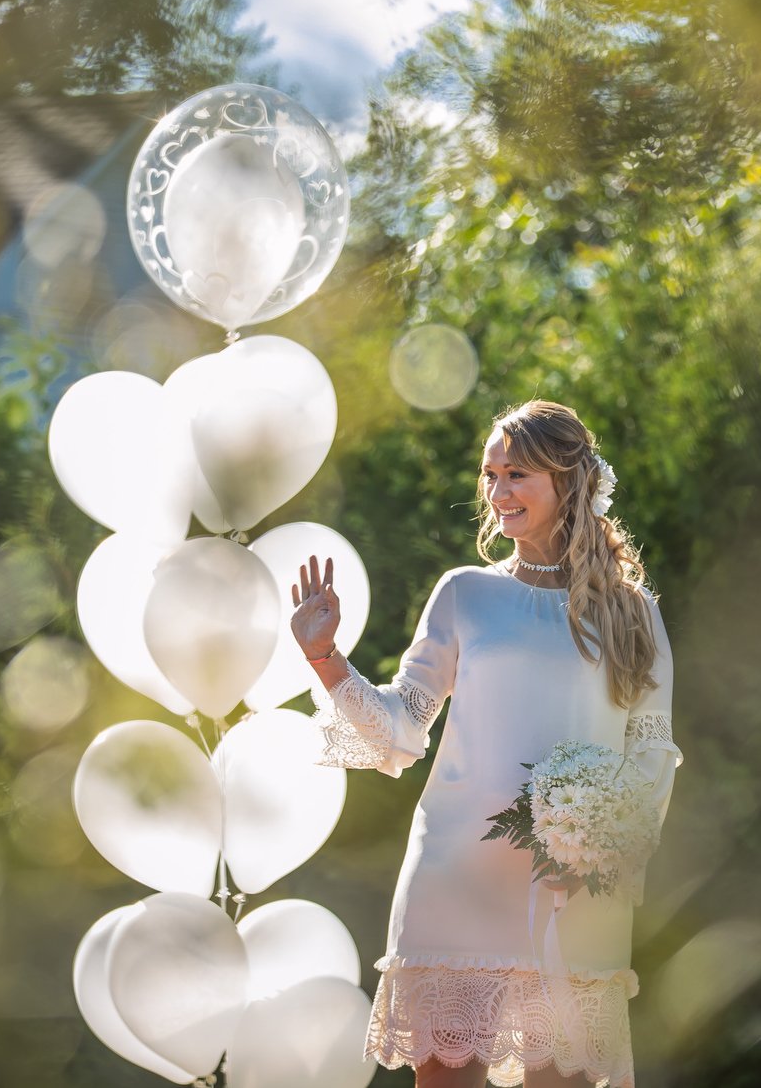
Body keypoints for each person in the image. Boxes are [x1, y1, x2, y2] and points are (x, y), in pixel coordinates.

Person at [289, 400, 681, 1088]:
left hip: (574, 895)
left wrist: (603, 849)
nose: (498, 493)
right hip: (457, 882)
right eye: (490, 475)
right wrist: (327, 659)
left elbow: (651, 750)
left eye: (517, 474)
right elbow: (403, 727)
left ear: (571, 482)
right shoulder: (463, 594)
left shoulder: (632, 609)